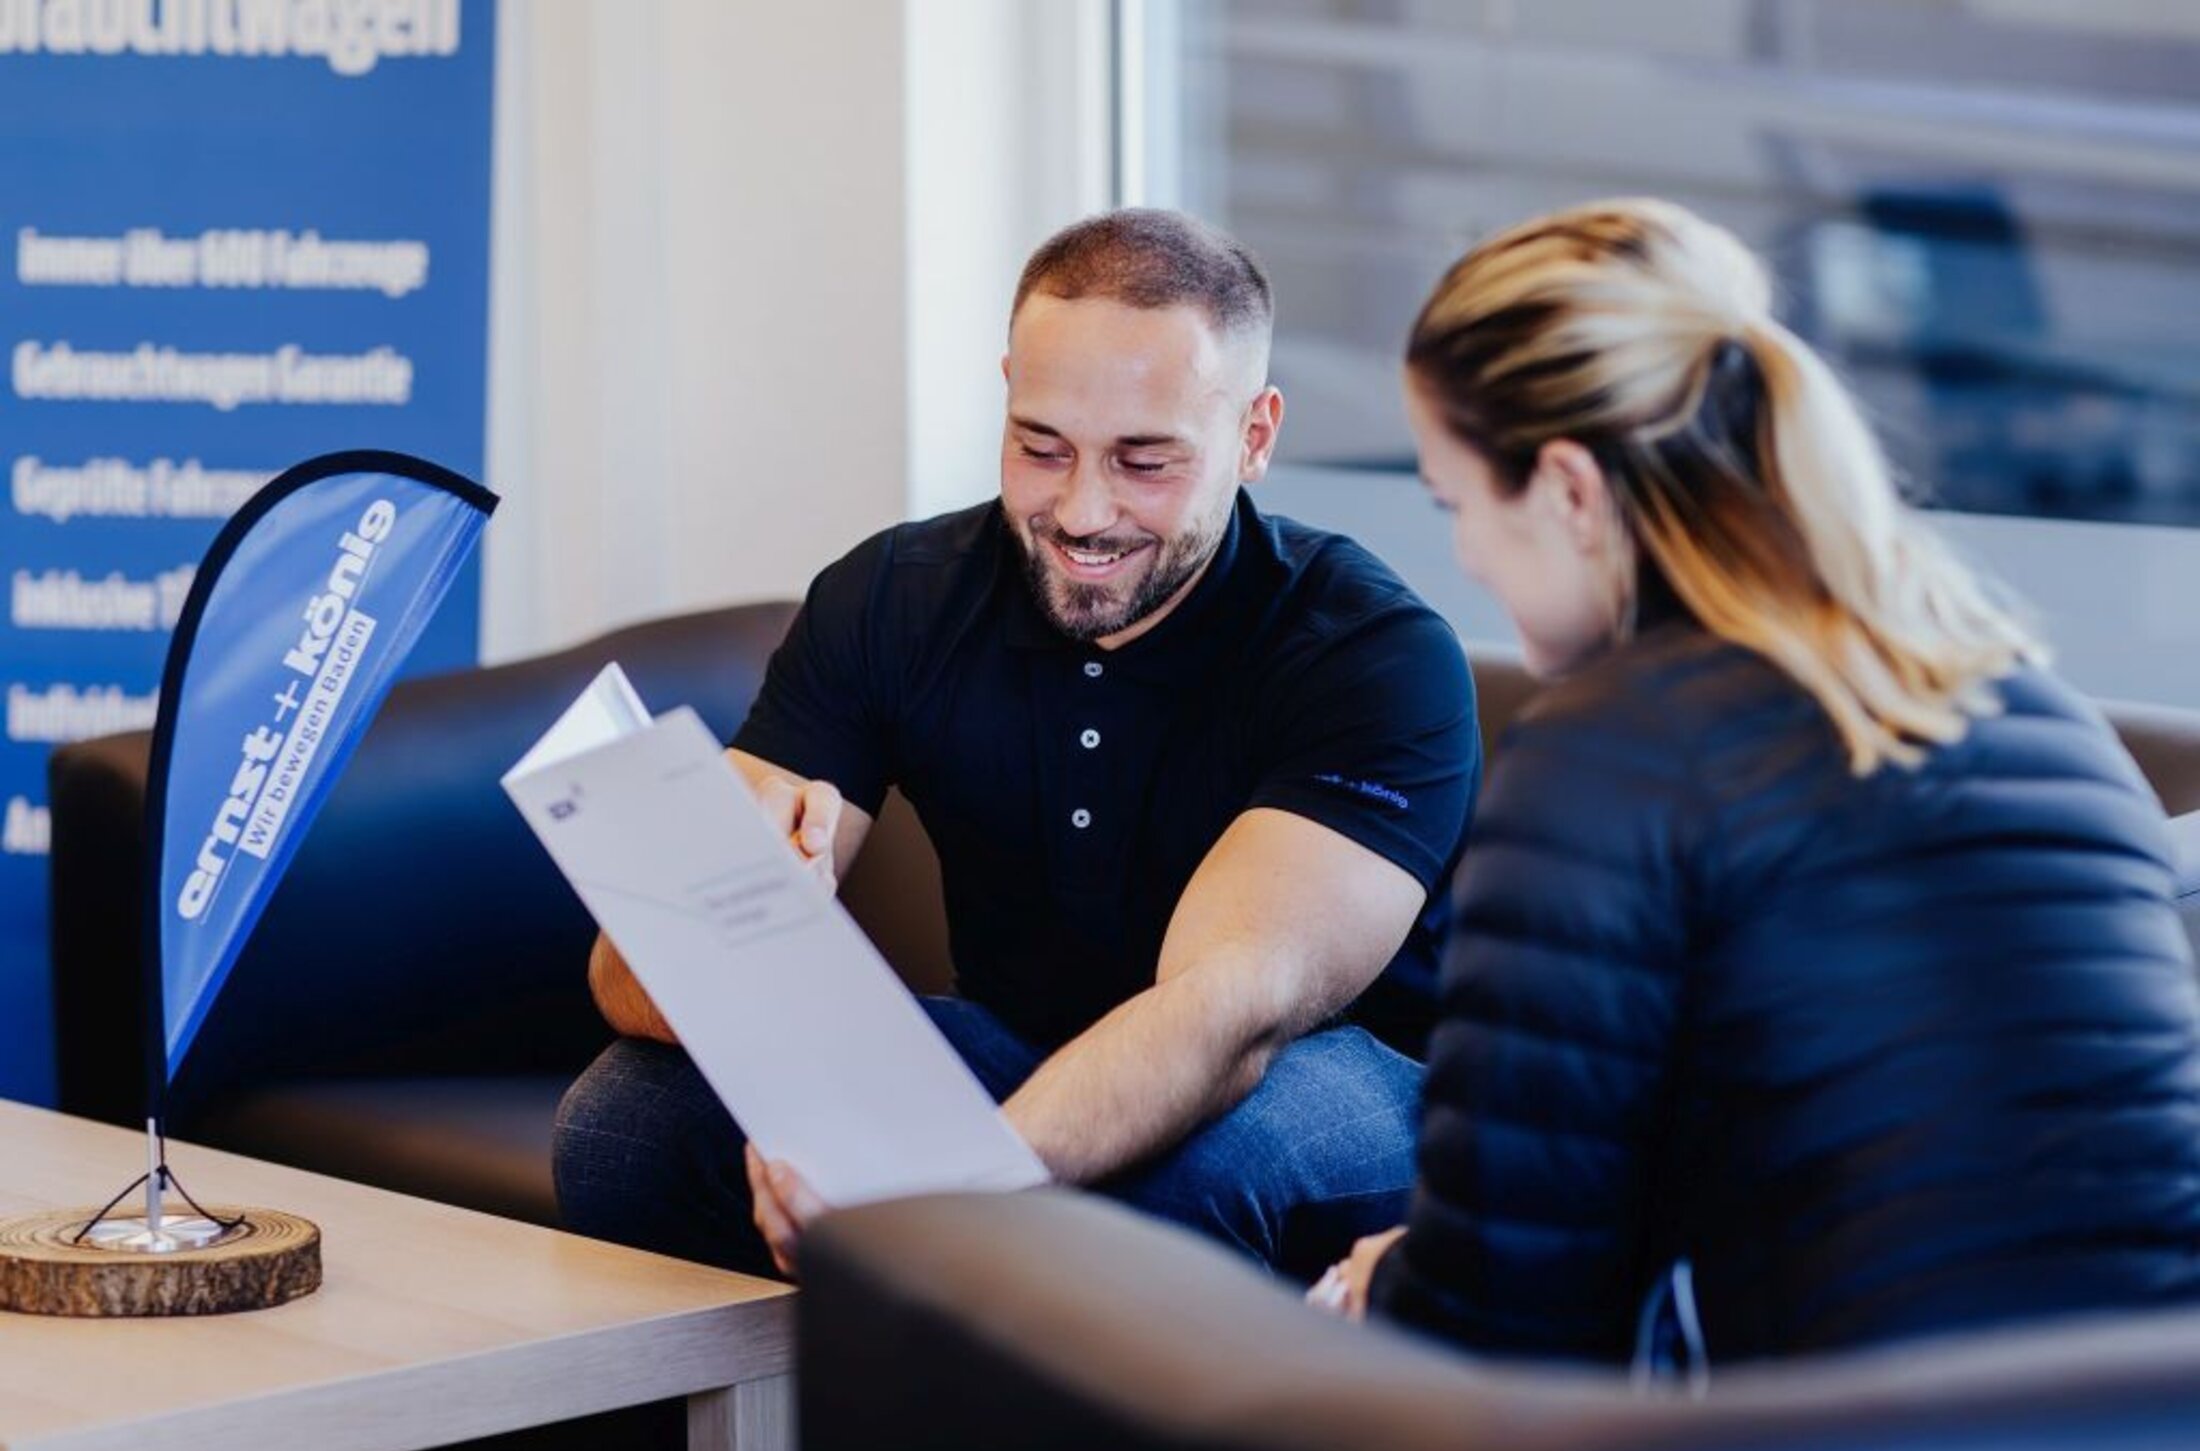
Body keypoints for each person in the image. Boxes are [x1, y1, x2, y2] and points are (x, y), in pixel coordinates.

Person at [1315, 197, 2200, 1363]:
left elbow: (1503, 1321)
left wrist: (1380, 1289)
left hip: (1857, 1427)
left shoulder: (1606, 755)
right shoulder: (2040, 717)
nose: (1465, 555)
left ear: (1569, 489)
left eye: (1458, 504)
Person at [554, 209, 1480, 1280]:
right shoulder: (893, 597)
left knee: (1179, 1177)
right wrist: (731, 935)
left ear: (1254, 435)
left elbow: (1224, 1013)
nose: (1082, 512)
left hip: (1335, 1081)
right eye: (1042, 448)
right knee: (627, 1124)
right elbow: (621, 978)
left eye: (1145, 462)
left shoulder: (1368, 653)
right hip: (1025, 1046)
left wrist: (957, 1192)